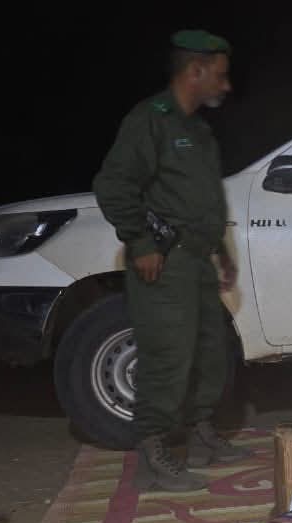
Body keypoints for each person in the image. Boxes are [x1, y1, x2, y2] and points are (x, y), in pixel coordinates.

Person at [93, 29, 253, 492]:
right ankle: (152, 454)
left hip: (197, 260)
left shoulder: (198, 131)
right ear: (194, 71)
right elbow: (114, 185)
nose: (226, 86)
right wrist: (140, 242)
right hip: (164, 261)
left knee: (208, 353)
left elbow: (202, 202)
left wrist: (221, 253)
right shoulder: (151, 120)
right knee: (167, 356)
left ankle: (201, 434)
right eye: (219, 76)